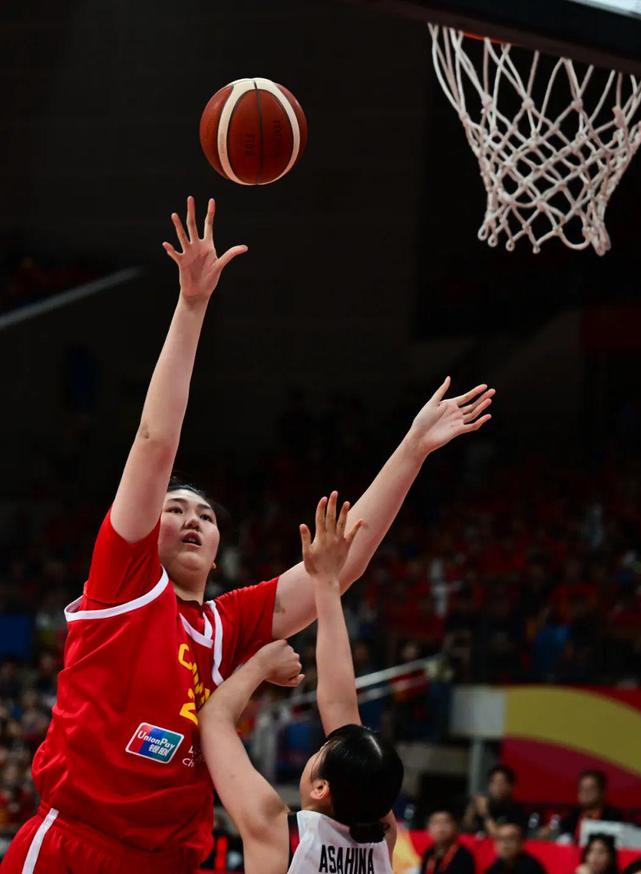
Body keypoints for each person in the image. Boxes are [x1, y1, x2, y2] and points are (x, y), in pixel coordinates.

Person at [1, 198, 493, 874]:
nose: (192, 518)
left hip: (170, 862)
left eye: (205, 515)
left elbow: (337, 567)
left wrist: (412, 450)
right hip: (76, 846)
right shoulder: (123, 586)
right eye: (176, 509)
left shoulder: (228, 625)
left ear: (218, 550)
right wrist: (191, 305)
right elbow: (154, 442)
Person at [199, 493, 403, 873]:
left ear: (321, 787)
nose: (325, 740)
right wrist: (326, 584)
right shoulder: (383, 837)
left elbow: (213, 718)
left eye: (323, 750)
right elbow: (340, 707)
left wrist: (260, 663)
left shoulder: (279, 833)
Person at [557, 770, 622, 842]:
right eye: (582, 789)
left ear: (602, 792)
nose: (585, 793)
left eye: (591, 789)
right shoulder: (572, 817)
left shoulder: (613, 817)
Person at [463, 765, 524, 837]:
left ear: (511, 786)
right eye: (494, 782)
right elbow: (467, 830)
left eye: (502, 783)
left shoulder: (515, 810)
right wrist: (471, 810)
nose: (498, 787)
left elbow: (498, 836)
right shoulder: (485, 803)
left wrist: (485, 814)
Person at [419, 809, 475, 874]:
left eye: (446, 822)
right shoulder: (428, 853)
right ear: (428, 829)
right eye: (436, 822)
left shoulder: (463, 856)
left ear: (455, 827)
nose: (441, 827)